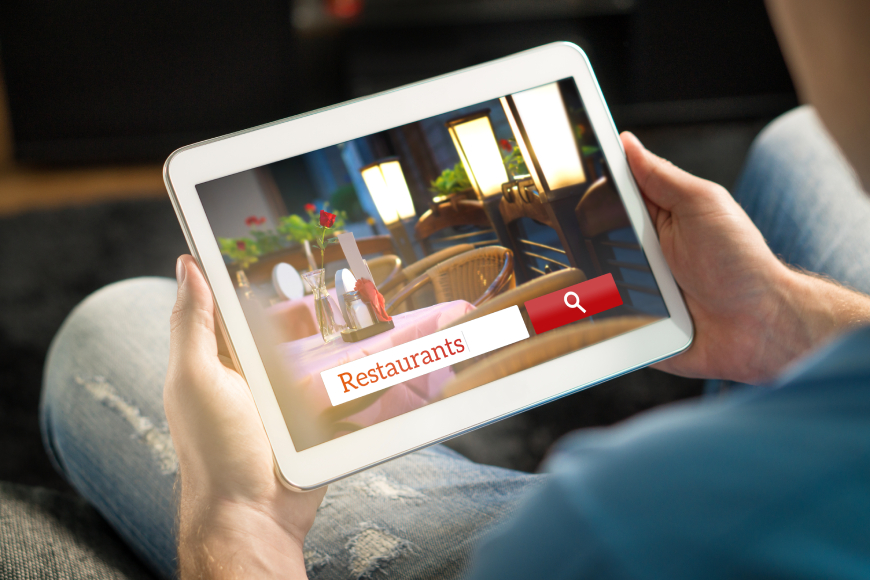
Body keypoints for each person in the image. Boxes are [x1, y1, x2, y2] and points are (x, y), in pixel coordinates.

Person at [40, 1, 870, 578]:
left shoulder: (611, 527)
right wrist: (783, 321)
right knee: (801, 145)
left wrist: (239, 525)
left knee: (112, 323)